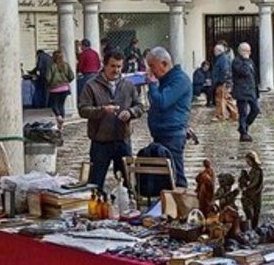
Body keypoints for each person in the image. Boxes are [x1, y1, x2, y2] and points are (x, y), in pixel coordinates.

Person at [79, 51, 144, 191]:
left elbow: (139, 106)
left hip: (123, 139)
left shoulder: (128, 85)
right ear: (104, 65)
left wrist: (130, 112)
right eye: (113, 66)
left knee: (127, 182)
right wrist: (102, 110)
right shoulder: (91, 86)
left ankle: (128, 207)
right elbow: (83, 110)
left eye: (119, 66)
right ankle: (97, 208)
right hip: (100, 140)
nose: (116, 70)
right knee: (96, 182)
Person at [145, 46, 192, 188]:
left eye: (152, 66)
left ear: (164, 64)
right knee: (164, 177)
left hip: (172, 134)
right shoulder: (166, 80)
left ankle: (180, 205)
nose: (150, 71)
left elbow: (162, 102)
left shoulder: (179, 80)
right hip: (162, 133)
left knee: (176, 176)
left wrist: (152, 85)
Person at [232, 42, 260, 142]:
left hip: (251, 90)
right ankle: (244, 133)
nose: (248, 53)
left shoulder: (250, 61)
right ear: (240, 51)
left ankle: (244, 126)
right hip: (241, 91)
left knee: (256, 110)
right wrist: (245, 59)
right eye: (246, 51)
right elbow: (244, 72)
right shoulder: (237, 61)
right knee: (243, 112)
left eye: (249, 51)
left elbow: (253, 75)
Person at [45, 50, 75, 130]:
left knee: (54, 104)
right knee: (61, 105)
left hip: (54, 88)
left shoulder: (52, 66)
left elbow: (48, 78)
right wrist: (66, 81)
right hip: (65, 88)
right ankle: (61, 124)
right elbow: (71, 76)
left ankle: (58, 116)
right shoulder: (66, 65)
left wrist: (49, 84)